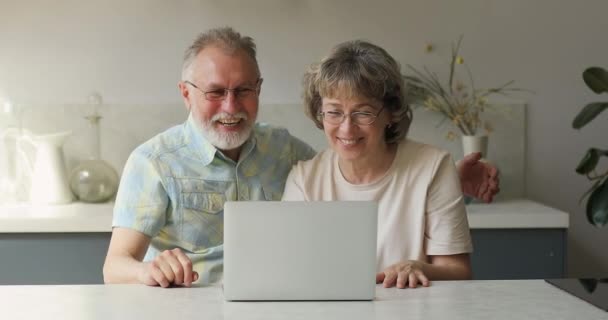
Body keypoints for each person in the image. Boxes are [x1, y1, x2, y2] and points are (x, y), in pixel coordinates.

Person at [103, 27, 498, 288]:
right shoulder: (153, 161)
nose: (231, 105)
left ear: (259, 89)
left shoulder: (286, 152)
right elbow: (114, 266)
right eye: (214, 92)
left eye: (244, 90)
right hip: (190, 304)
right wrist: (150, 270)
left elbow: (355, 167)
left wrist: (445, 178)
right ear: (186, 93)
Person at [282, 40, 478, 289]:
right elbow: (290, 270)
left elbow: (458, 270)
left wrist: (418, 267)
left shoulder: (434, 167)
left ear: (391, 113)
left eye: (363, 112)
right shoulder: (304, 180)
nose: (346, 128)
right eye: (334, 112)